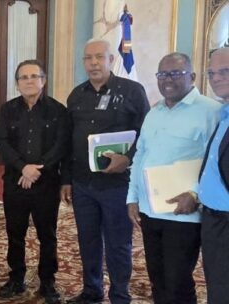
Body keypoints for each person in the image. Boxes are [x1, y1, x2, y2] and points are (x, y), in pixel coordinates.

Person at [126, 53, 220, 304]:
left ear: (192, 76)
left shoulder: (211, 111)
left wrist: (195, 194)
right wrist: (132, 197)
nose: (167, 79)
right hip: (150, 210)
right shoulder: (154, 112)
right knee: (157, 279)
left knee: (178, 282)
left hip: (184, 213)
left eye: (175, 73)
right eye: (162, 74)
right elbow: (140, 156)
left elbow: (216, 163)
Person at [61, 39, 150, 304]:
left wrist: (127, 159)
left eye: (100, 57)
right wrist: (66, 180)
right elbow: (68, 141)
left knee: (118, 242)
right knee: (87, 240)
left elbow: (146, 135)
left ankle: (120, 295)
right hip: (83, 184)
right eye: (88, 58)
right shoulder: (76, 95)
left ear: (111, 60)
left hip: (118, 185)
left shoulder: (132, 91)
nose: (94, 63)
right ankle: (92, 290)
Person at [0, 60, 68, 303]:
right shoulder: (7, 110)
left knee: (47, 235)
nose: (29, 81)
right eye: (23, 77)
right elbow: (2, 141)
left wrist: (38, 169)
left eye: (33, 76)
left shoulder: (58, 110)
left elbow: (61, 144)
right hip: (15, 182)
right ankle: (16, 278)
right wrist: (23, 168)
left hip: (46, 183)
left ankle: (47, 281)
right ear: (17, 84)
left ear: (43, 80)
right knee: (15, 233)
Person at [199, 47, 229, 303]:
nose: (216, 78)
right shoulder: (223, 113)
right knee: (217, 286)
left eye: (225, 71)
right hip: (213, 219)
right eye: (211, 73)